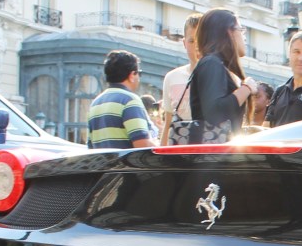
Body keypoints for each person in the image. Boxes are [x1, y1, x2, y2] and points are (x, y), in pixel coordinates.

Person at [186, 8, 254, 143]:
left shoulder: (216, 64)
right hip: (213, 158)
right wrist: (247, 88)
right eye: (241, 30)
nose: (244, 37)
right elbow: (215, 113)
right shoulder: (211, 63)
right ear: (229, 32)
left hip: (215, 157)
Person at [86, 50, 155, 149]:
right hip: (127, 165)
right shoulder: (130, 100)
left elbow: (91, 146)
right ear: (132, 75)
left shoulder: (95, 104)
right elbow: (143, 145)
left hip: (106, 164)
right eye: (138, 73)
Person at [160, 12, 202, 145]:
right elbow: (168, 124)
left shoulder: (224, 76)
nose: (196, 46)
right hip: (179, 154)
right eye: (191, 41)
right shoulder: (172, 78)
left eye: (201, 40)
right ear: (184, 43)